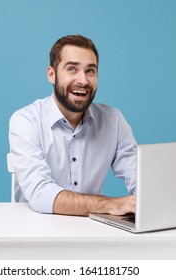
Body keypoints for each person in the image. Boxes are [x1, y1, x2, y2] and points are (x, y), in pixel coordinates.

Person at [9, 34, 137, 216]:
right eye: (72, 69)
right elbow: (41, 194)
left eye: (90, 71)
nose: (83, 80)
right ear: (51, 75)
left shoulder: (113, 120)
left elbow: (141, 179)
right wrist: (112, 205)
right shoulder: (26, 120)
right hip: (38, 231)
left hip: (92, 230)